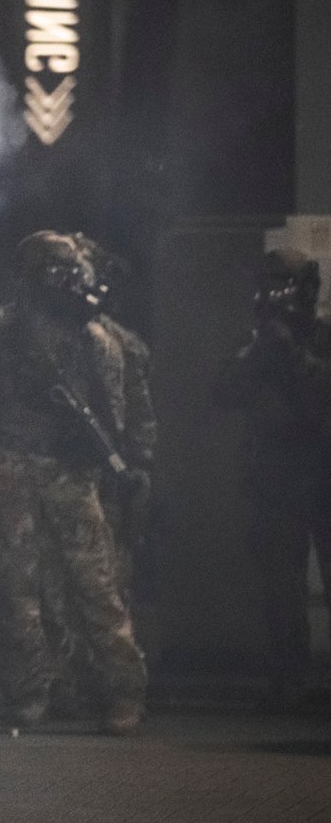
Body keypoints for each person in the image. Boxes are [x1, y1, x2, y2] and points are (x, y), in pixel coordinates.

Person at [0, 230, 147, 735]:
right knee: (19, 592)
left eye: (71, 272)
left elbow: (111, 418)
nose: (69, 283)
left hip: (71, 475)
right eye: (57, 272)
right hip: (12, 467)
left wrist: (116, 470)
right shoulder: (0, 330)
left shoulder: (91, 337)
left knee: (97, 588)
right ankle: (30, 692)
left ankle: (124, 692)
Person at [39, 234, 157, 717]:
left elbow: (137, 412)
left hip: (109, 476)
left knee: (105, 586)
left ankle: (117, 684)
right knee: (55, 587)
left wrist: (138, 468)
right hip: (68, 471)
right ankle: (67, 681)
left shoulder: (115, 342)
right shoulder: (51, 336)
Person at [214, 248, 331, 708]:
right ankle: (290, 675)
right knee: (281, 585)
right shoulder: (256, 341)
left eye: (283, 286)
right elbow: (223, 393)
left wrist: (292, 353)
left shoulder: (322, 339)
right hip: (277, 477)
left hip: (322, 471)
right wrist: (262, 349)